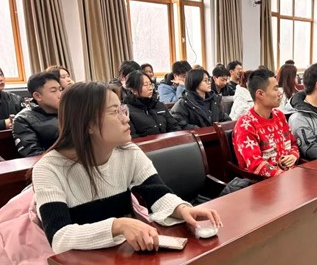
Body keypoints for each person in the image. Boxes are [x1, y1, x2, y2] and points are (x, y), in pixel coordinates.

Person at [32, 82, 221, 255]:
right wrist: (117, 226)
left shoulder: (128, 152)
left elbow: (157, 193)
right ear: (88, 124)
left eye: (123, 110)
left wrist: (181, 209)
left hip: (123, 256)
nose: (126, 120)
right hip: (80, 264)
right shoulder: (49, 169)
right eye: (115, 112)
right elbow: (59, 237)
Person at [233, 68, 299, 178]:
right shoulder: (245, 124)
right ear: (260, 94)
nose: (280, 93)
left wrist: (293, 156)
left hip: (290, 175)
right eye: (275, 89)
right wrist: (286, 177)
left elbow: (293, 144)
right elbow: (255, 165)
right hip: (265, 182)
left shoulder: (279, 115)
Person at [12, 72, 61, 157]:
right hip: (51, 163)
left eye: (60, 89)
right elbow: (32, 154)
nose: (60, 95)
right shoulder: (23, 119)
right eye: (53, 91)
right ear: (37, 96)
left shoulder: (69, 111)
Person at [123, 70, 181, 138]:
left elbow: (174, 127)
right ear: (133, 90)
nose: (150, 88)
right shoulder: (127, 111)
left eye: (150, 84)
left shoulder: (159, 105)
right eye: (145, 85)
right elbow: (132, 138)